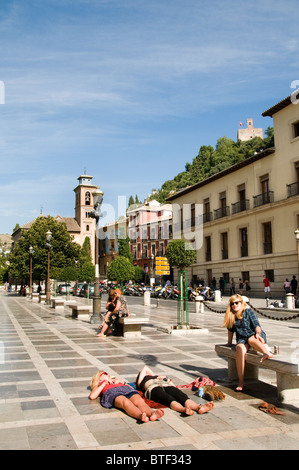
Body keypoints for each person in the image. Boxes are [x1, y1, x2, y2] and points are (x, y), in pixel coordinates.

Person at [223, 294, 273, 392]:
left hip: (254, 335)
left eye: (237, 303)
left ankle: (267, 353)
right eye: (232, 303)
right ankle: (241, 381)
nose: (234, 305)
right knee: (239, 349)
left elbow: (256, 325)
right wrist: (229, 343)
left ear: (241, 303)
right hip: (242, 338)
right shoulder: (231, 315)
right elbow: (230, 330)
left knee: (251, 340)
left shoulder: (248, 312)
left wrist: (258, 333)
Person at [89, 371, 164, 423]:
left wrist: (121, 382)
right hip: (113, 393)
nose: (107, 375)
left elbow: (131, 388)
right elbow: (92, 396)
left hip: (126, 390)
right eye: (104, 374)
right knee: (126, 402)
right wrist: (103, 384)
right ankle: (140, 416)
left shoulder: (115, 380)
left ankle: (152, 413)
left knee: (139, 401)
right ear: (99, 378)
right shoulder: (99, 385)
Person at [136, 366, 214, 415]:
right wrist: (155, 376)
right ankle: (183, 410)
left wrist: (165, 378)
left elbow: (174, 386)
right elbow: (145, 368)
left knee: (181, 396)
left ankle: (199, 407)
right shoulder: (141, 381)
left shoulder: (157, 377)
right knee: (168, 399)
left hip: (165, 385)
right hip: (152, 388)